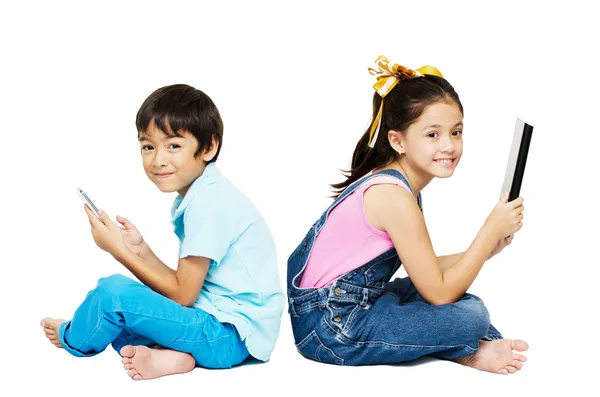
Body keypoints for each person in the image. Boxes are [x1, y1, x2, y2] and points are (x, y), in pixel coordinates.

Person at [287, 56, 528, 374]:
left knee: (438, 297)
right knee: (472, 314)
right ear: (398, 140)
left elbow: (425, 270)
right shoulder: (393, 197)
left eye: (456, 132)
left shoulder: (399, 185)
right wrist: (487, 232)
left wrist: (487, 249)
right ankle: (469, 348)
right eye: (432, 134)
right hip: (333, 327)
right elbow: (440, 293)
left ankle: (463, 344)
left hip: (355, 304)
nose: (448, 146)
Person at [41, 84, 284, 380]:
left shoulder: (208, 203)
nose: (158, 160)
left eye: (173, 146)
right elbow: (184, 283)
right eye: (148, 146)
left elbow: (182, 294)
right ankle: (174, 357)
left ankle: (72, 336)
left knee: (112, 295)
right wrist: (141, 250)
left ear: (208, 147)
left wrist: (116, 250)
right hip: (220, 331)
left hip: (230, 337)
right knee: (121, 325)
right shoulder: (203, 194)